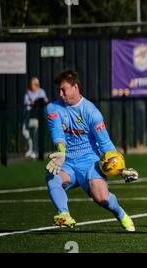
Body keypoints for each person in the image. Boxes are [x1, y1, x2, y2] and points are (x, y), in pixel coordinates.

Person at [45, 70, 139, 231]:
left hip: (90, 162)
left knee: (101, 197)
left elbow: (105, 144)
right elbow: (57, 133)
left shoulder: (91, 112)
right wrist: (61, 152)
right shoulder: (52, 108)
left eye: (64, 89)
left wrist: (121, 170)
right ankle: (64, 214)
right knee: (53, 177)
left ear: (75, 87)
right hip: (67, 161)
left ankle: (120, 213)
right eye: (58, 90)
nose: (60, 94)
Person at [22, 77, 49, 159]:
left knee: (36, 135)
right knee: (24, 133)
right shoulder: (27, 93)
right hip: (28, 116)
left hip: (37, 117)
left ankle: (35, 151)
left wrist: (36, 102)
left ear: (37, 85)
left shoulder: (41, 92)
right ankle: (30, 149)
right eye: (31, 84)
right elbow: (26, 103)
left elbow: (45, 100)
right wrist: (31, 103)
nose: (32, 86)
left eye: (33, 84)